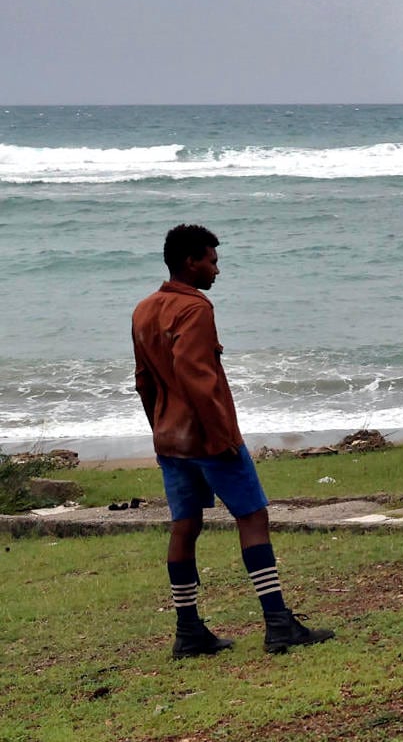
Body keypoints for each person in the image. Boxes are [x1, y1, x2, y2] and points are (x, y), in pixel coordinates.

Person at [132, 224, 335, 659]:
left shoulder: (144, 310)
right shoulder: (195, 310)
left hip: (170, 439)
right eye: (212, 260)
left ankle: (189, 631)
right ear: (191, 261)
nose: (216, 270)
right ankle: (278, 624)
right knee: (253, 517)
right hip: (207, 438)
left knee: (185, 526)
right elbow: (197, 379)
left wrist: (160, 428)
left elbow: (144, 381)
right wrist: (222, 436)